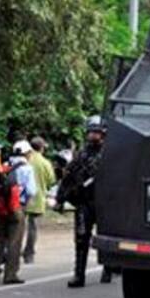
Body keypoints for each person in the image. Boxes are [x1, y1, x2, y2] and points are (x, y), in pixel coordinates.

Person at [61, 116, 111, 288]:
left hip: (104, 202)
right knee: (81, 238)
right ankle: (79, 275)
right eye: (90, 132)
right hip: (84, 202)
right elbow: (68, 176)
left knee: (105, 237)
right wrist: (61, 198)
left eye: (96, 132)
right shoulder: (81, 154)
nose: (93, 135)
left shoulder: (110, 153)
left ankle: (108, 268)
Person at [0, 141, 33, 285]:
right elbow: (31, 190)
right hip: (16, 208)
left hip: (0, 208)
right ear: (27, 153)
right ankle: (10, 274)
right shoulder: (27, 169)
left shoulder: (4, 165)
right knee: (14, 241)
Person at [22, 136, 57, 265]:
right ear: (42, 148)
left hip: (21, 199)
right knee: (32, 228)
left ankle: (13, 251)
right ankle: (29, 254)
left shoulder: (25, 159)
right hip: (37, 199)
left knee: (18, 227)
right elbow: (51, 181)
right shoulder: (45, 163)